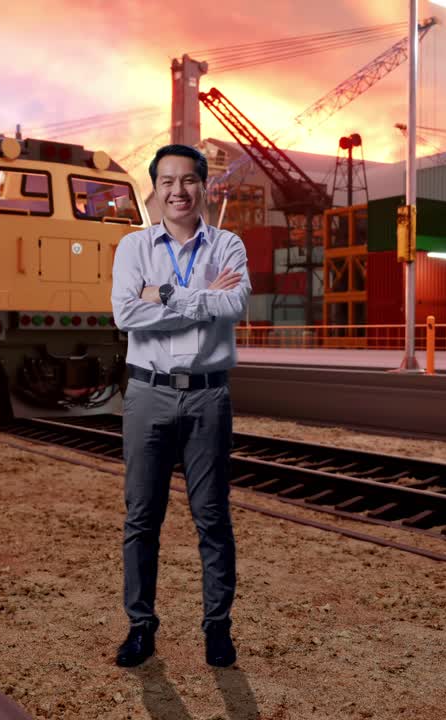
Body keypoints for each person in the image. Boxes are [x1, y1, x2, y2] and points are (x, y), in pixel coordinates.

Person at [110, 144, 251, 668]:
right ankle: (140, 629)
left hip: (209, 395)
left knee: (212, 518)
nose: (178, 191)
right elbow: (125, 314)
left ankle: (218, 630)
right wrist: (197, 300)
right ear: (154, 191)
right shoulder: (132, 247)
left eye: (188, 180)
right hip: (147, 392)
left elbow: (233, 304)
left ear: (203, 186)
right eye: (167, 181)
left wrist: (163, 294)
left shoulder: (229, 245)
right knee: (142, 518)